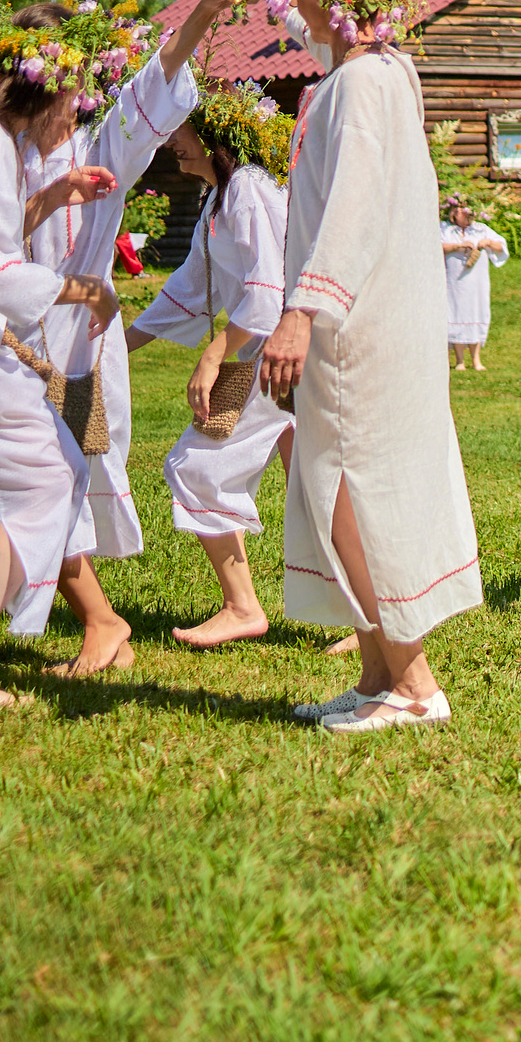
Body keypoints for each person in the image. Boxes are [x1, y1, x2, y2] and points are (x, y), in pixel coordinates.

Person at [261, 0, 484, 733]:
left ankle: (415, 685)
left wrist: (300, 312)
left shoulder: (360, 83)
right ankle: (374, 676)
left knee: (353, 493)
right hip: (371, 315)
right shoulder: (376, 71)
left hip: (359, 326)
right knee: (335, 485)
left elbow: (352, 209)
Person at [0, 0, 136, 708]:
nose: (75, 111)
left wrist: (54, 193)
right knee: (40, 481)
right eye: (74, 93)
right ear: (45, 85)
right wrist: (89, 291)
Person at [20, 0, 229, 676]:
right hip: (7, 332)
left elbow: (153, 86)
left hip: (78, 340)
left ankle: (101, 623)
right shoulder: (2, 149)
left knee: (55, 472)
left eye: (68, 77)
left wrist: (198, 20)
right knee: (25, 471)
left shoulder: (101, 142)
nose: (59, 92)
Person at [124, 79, 297, 648]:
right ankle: (366, 617)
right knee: (314, 483)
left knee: (196, 464)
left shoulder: (248, 187)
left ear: (215, 133)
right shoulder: (219, 198)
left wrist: (216, 353)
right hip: (272, 352)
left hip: (281, 354)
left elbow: (267, 288)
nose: (172, 140)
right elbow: (188, 287)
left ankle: (243, 607)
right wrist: (117, 345)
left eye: (183, 128)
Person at [440, 196, 509, 371]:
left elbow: (501, 247)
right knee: (456, 313)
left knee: (476, 311)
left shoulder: (480, 229)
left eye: (465, 209)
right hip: (454, 282)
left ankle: (476, 360)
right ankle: (459, 361)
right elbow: (437, 246)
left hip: (476, 282)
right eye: (459, 209)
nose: (462, 212)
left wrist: (488, 242)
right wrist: (457, 247)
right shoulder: (446, 229)